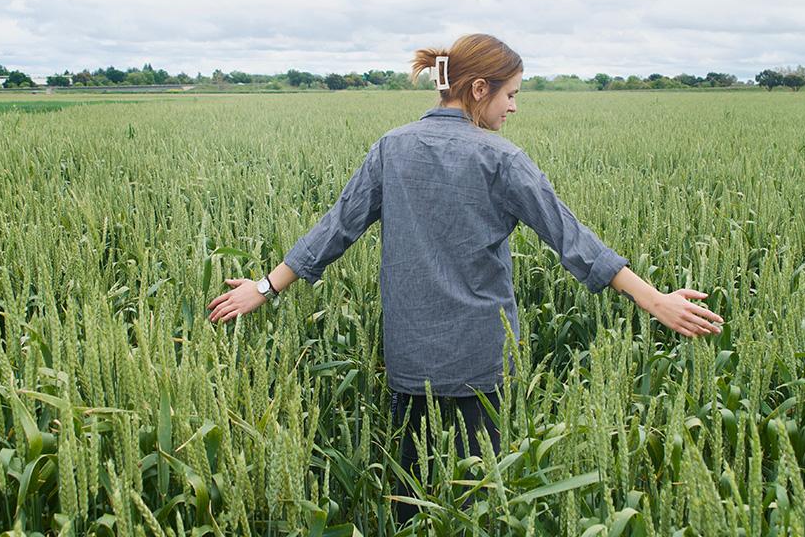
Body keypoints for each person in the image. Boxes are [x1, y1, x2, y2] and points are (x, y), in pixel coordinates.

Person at [206, 34, 724, 524]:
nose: (514, 107)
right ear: (479, 89)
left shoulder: (392, 147)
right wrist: (655, 301)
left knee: (407, 492)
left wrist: (264, 287)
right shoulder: (502, 159)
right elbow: (573, 241)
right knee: (482, 492)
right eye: (512, 94)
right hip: (484, 359)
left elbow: (336, 227)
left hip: (411, 355)